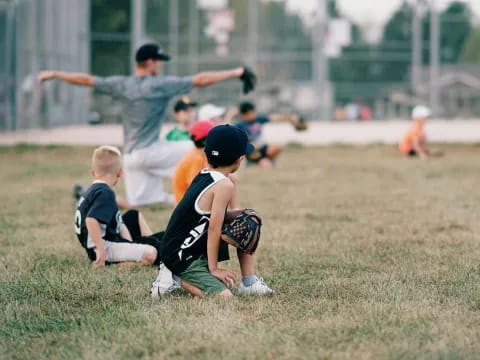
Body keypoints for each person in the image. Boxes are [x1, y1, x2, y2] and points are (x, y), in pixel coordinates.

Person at [39, 43, 254, 207]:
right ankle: (223, 194)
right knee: (201, 150)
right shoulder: (159, 85)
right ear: (150, 62)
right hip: (152, 152)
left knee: (141, 204)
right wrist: (237, 73)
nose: (161, 65)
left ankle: (87, 195)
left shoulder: (121, 84)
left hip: (131, 157)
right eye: (159, 61)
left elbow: (87, 80)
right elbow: (200, 80)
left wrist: (56, 74)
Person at [159, 125, 274, 297]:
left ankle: (249, 283)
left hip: (185, 247)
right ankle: (173, 278)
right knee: (224, 297)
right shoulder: (224, 185)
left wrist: (245, 214)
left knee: (247, 220)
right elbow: (214, 228)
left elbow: (209, 218)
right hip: (180, 256)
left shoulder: (205, 174)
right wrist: (214, 269)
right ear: (240, 160)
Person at [74, 145, 164, 267]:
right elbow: (90, 220)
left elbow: (118, 222)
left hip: (108, 238)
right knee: (152, 253)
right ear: (120, 172)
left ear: (93, 173)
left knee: (134, 215)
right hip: (104, 245)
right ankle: (115, 264)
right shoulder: (105, 193)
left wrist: (130, 244)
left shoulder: (94, 190)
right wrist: (101, 251)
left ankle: (143, 246)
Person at [172, 120, 239, 207]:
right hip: (189, 206)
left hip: (194, 201)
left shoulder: (201, 154)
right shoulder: (196, 158)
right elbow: (195, 188)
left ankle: (235, 211)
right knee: (226, 182)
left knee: (229, 178)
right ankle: (231, 213)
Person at [235, 101, 300, 168]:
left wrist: (290, 117)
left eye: (253, 112)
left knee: (278, 147)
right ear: (244, 115)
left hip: (263, 147)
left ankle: (270, 160)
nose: (253, 114)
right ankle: (253, 162)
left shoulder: (258, 120)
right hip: (253, 152)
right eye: (250, 113)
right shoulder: (240, 126)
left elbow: (274, 118)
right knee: (265, 164)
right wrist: (230, 114)